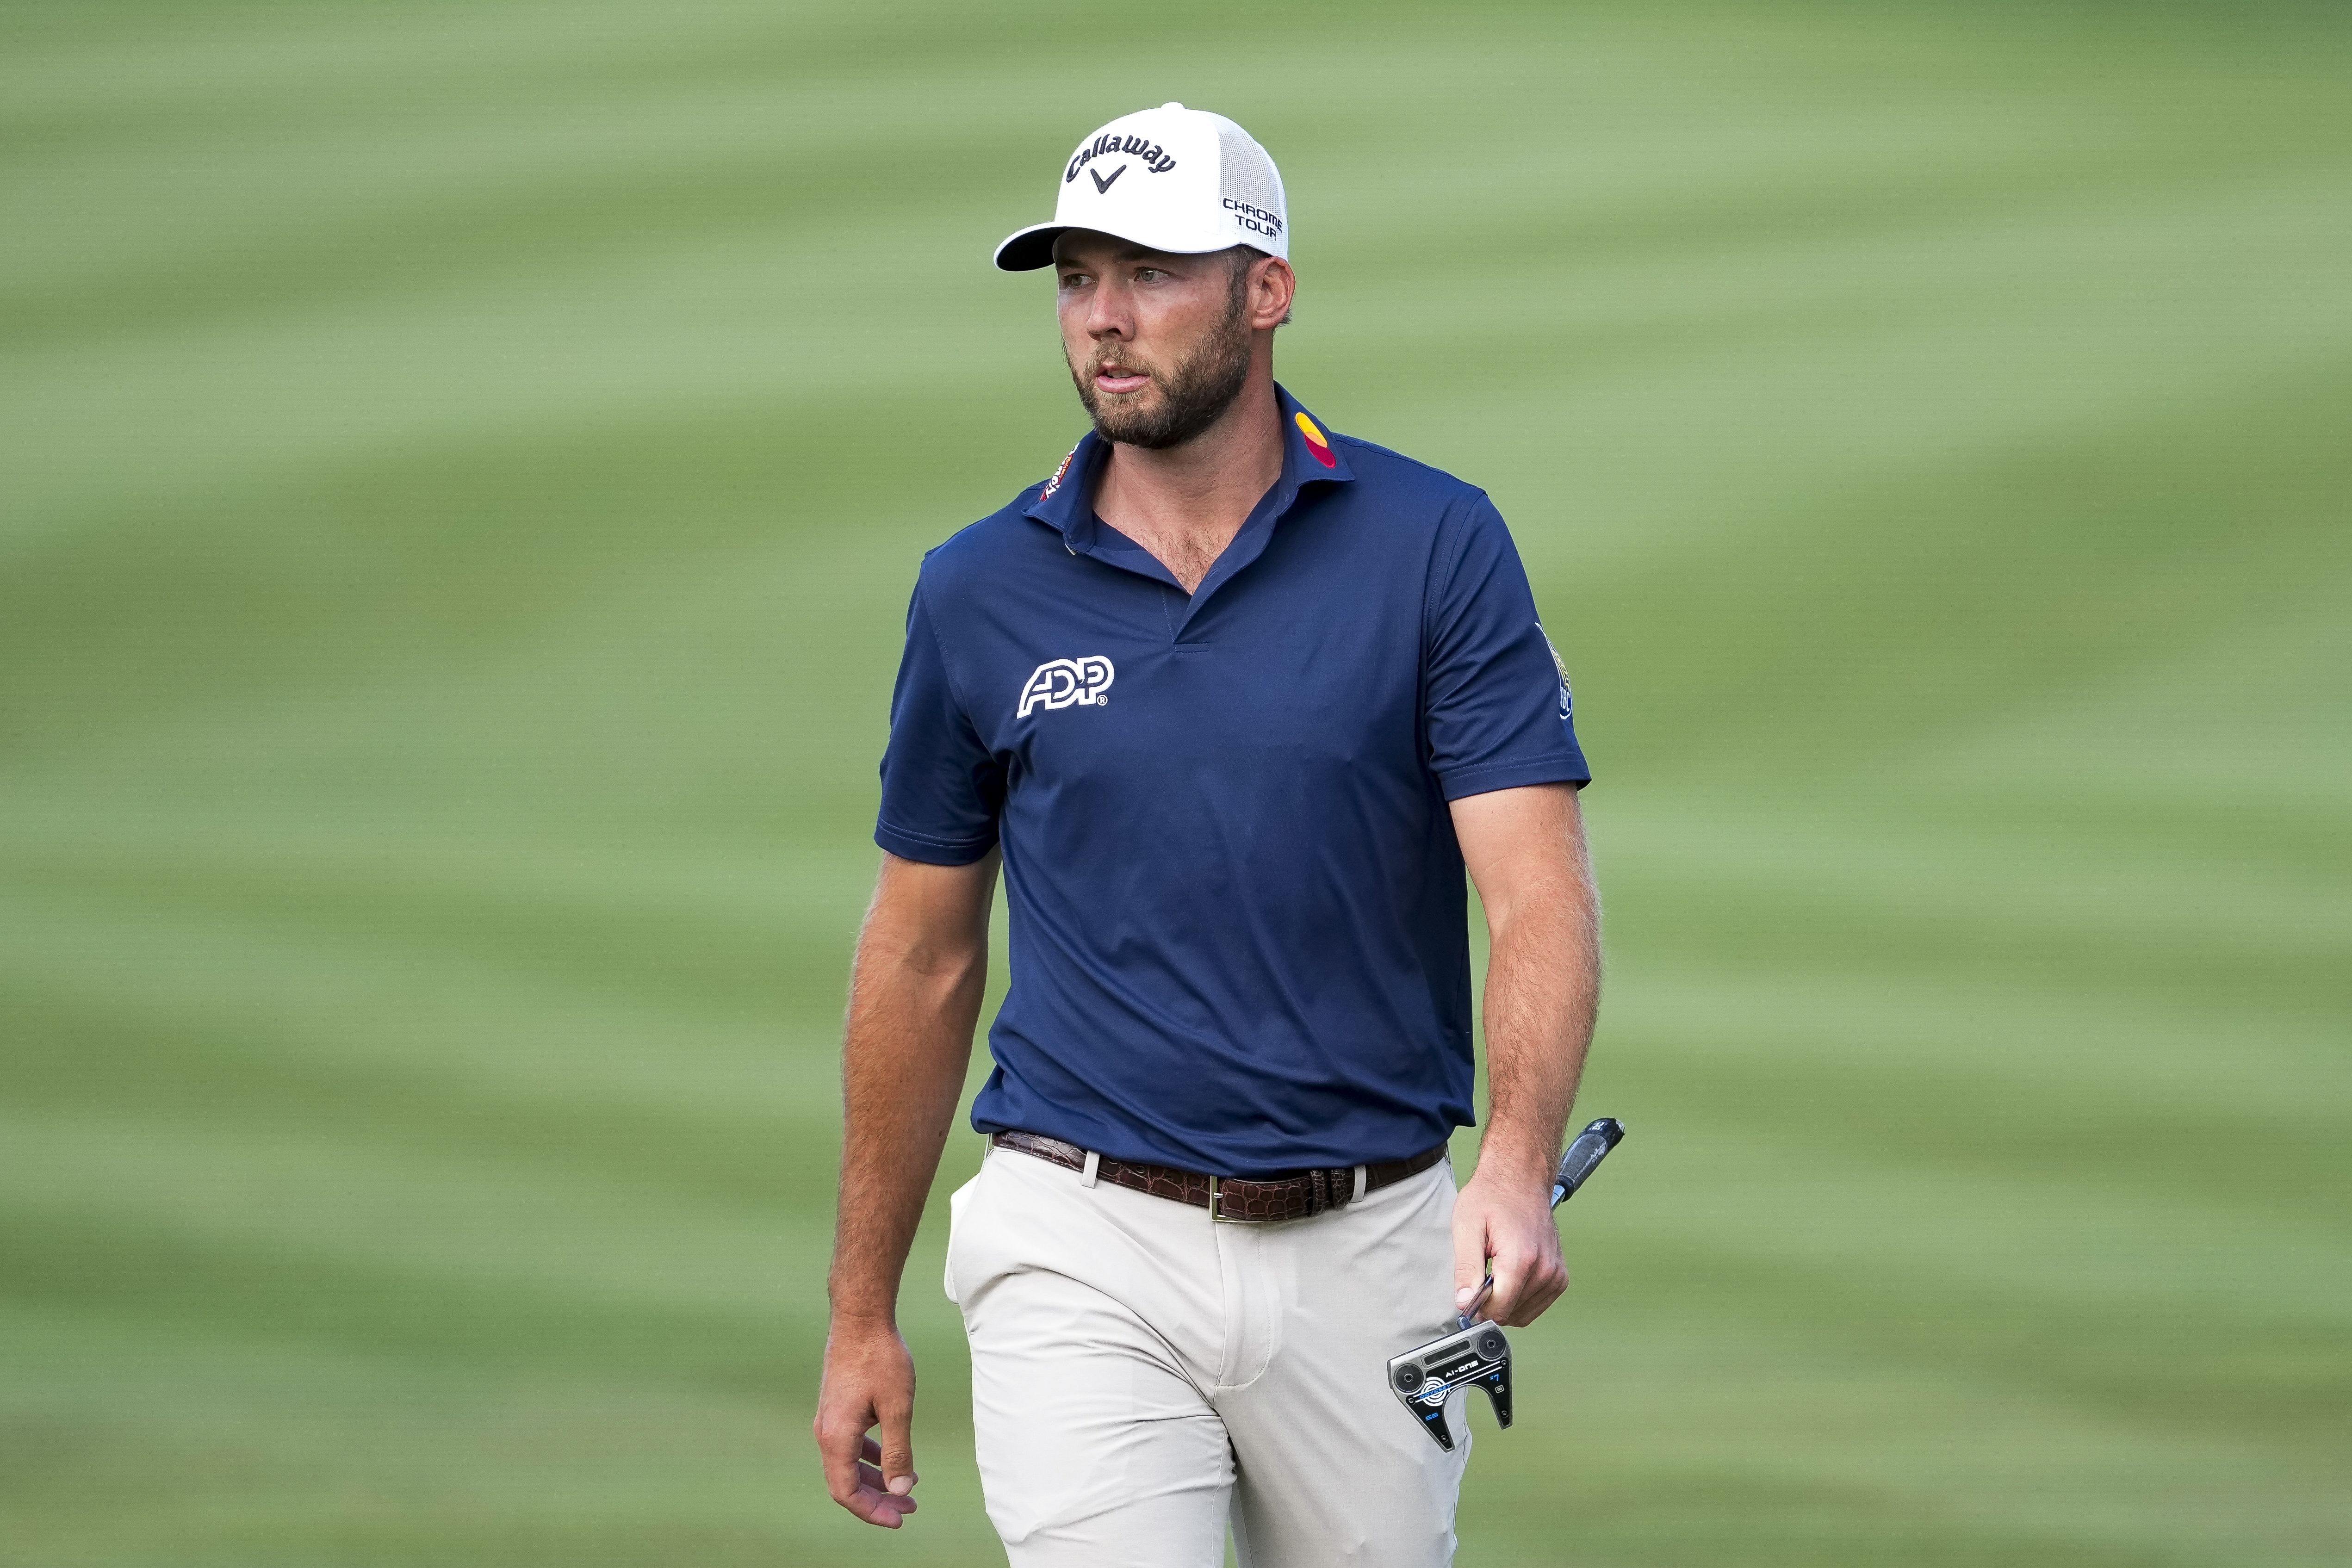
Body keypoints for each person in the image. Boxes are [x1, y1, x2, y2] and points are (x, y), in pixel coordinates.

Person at [813, 103, 1602, 1568]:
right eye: (1075, 279)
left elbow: (1537, 893)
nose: (1104, 321)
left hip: (1371, 1244)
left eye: (1153, 273)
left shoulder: (1433, 544)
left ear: (1266, 289)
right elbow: (922, 956)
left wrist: (1512, 1160)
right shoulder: (978, 589)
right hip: (1078, 1232)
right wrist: (861, 1314)